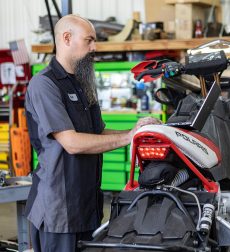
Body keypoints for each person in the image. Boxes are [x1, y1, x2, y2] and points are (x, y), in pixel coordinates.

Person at [25, 14, 161, 252]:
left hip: (87, 206)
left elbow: (99, 132)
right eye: (89, 40)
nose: (94, 47)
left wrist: (137, 132)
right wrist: (128, 138)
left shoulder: (83, 83)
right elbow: (72, 143)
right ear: (66, 38)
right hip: (59, 210)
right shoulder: (44, 84)